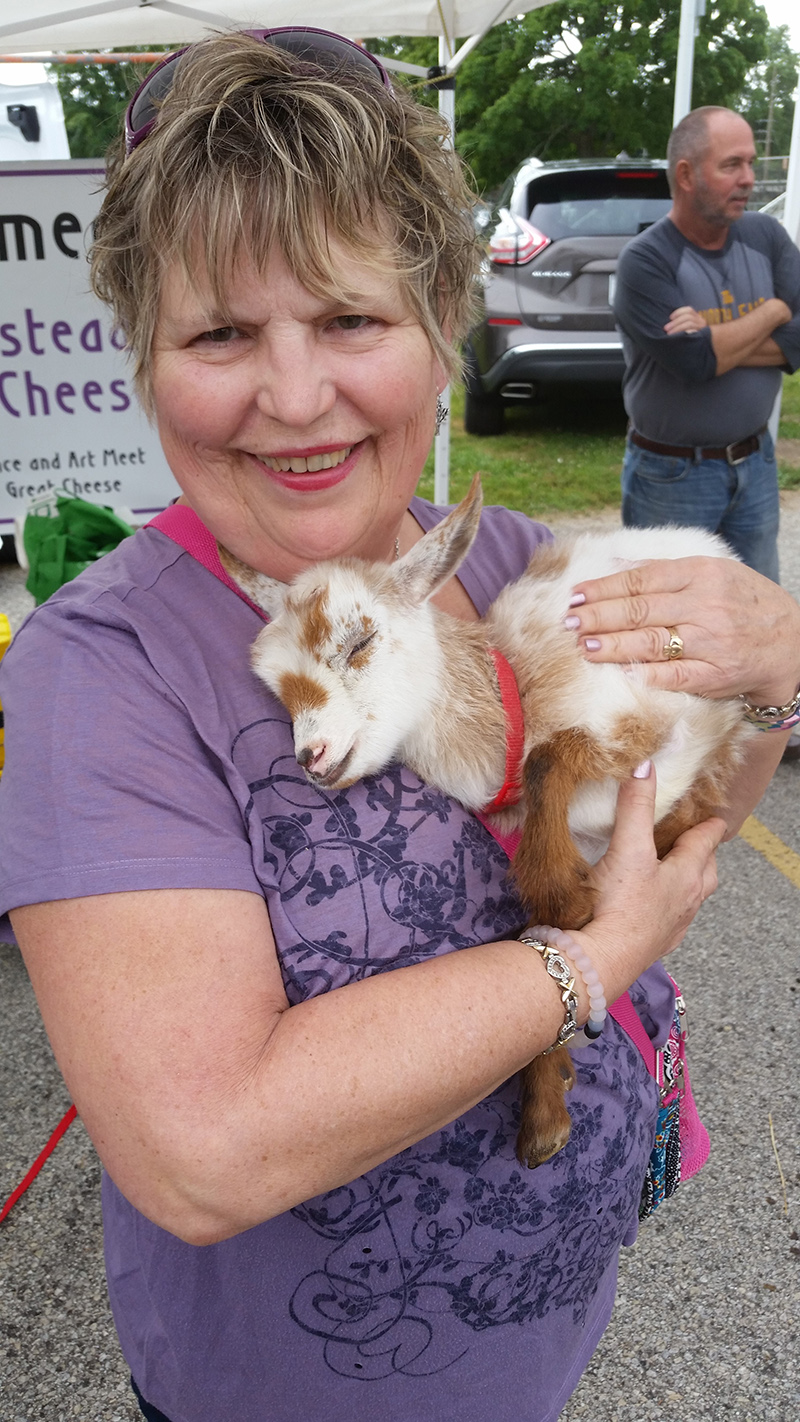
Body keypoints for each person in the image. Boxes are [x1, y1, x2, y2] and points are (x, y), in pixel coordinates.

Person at [0, 33, 799, 1422]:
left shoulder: (514, 572)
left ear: (444, 318)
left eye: (350, 320)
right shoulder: (105, 668)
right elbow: (202, 1150)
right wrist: (597, 957)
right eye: (220, 332)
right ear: (144, 357)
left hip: (537, 1353)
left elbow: (692, 816)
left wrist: (775, 669)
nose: (296, 398)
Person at [613, 105, 800, 589]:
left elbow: (715, 352)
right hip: (671, 478)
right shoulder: (646, 261)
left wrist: (718, 340)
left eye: (752, 163)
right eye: (731, 165)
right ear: (686, 174)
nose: (749, 179)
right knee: (670, 623)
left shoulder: (766, 235)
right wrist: (776, 313)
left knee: (759, 607)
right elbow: (693, 362)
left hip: (755, 466)